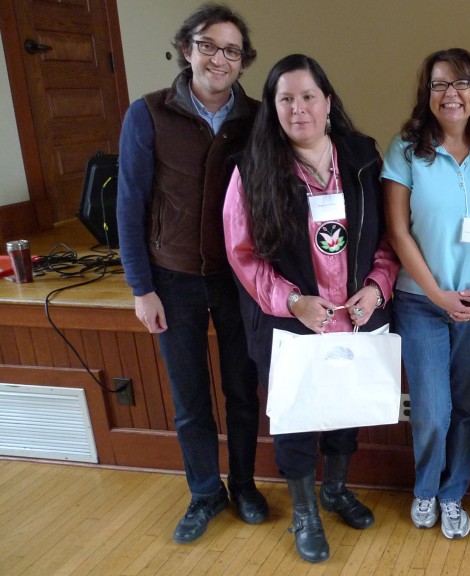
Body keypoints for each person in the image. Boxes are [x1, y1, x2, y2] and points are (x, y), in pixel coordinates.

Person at [223, 54, 398, 563]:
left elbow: (385, 239)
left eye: (308, 97)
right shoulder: (252, 169)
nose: (298, 108)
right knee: (297, 419)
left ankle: (335, 490)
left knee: (347, 409)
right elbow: (243, 254)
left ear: (327, 101)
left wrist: (377, 287)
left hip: (355, 314)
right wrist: (293, 301)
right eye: (285, 99)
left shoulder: (363, 158)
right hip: (289, 320)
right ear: (272, 108)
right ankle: (304, 513)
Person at [115, 3, 267, 544]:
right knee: (190, 397)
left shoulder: (257, 118)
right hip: (171, 277)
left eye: (231, 50)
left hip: (239, 281)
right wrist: (141, 287)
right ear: (187, 49)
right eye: (208, 45)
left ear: (243, 62)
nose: (219, 58)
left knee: (242, 389)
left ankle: (245, 484)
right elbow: (129, 205)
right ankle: (205, 492)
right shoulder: (149, 114)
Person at [382, 47, 470, 540]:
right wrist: (437, 295)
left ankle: (453, 495)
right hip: (421, 301)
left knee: (464, 407)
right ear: (427, 94)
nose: (450, 93)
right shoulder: (406, 150)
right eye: (439, 84)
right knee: (432, 409)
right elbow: (398, 232)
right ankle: (425, 489)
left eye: (460, 84)